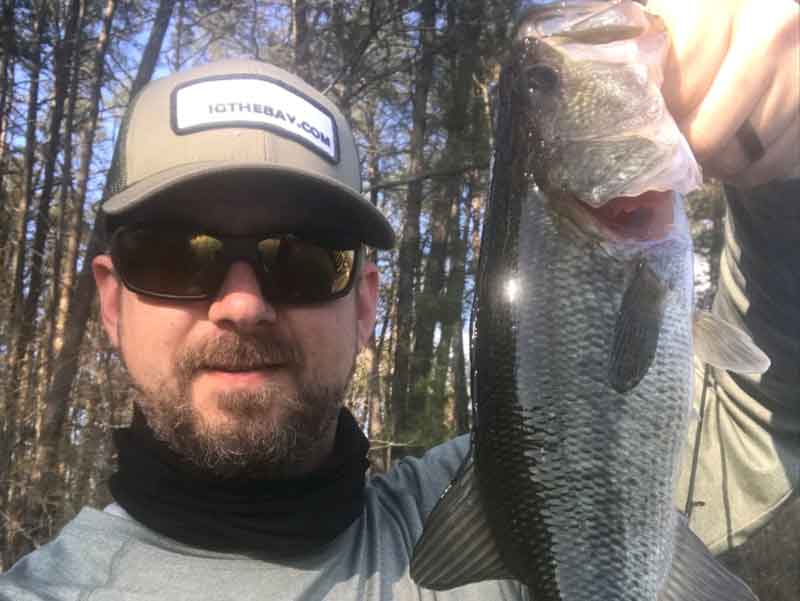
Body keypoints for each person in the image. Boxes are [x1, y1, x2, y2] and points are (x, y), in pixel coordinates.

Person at [0, 1, 797, 599]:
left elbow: (762, 418)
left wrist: (779, 178)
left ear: (365, 302)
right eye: (179, 254)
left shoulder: (507, 497)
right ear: (111, 301)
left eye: (304, 259)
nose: (241, 304)